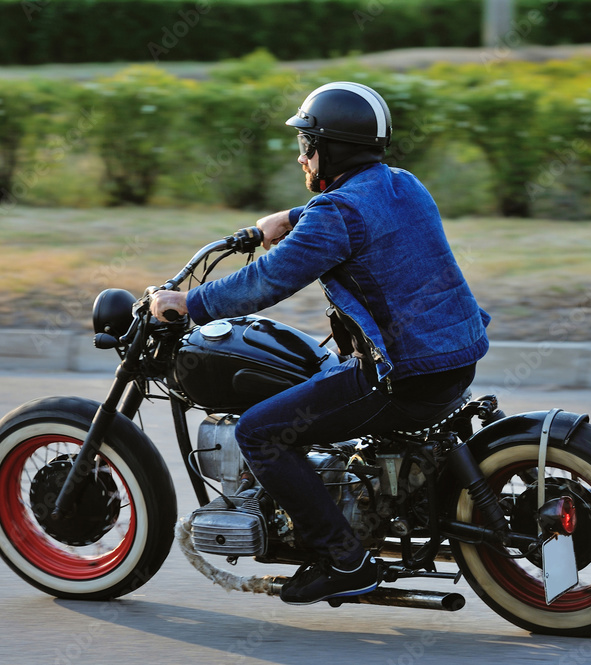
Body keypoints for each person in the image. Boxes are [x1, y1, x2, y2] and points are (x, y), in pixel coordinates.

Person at [150, 81, 491, 605]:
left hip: (404, 373)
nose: (301, 156)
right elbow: (356, 210)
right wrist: (287, 218)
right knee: (317, 381)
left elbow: (266, 281)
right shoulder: (404, 184)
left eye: (306, 144)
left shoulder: (337, 216)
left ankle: (345, 561)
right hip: (455, 359)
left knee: (261, 431)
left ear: (328, 149)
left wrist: (186, 304)